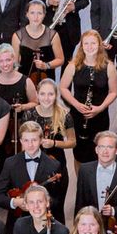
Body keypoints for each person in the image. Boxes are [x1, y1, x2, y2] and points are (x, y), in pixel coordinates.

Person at [59, 29, 117, 165]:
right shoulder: (73, 65)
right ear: (81, 46)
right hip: (78, 115)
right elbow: (63, 88)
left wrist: (100, 108)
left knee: (99, 152)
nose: (90, 47)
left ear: (99, 45)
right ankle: (80, 179)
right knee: (79, 155)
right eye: (86, 43)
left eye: (93, 43)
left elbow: (113, 92)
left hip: (100, 116)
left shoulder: (109, 67)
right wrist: (76, 104)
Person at [21, 80, 76, 215]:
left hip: (57, 164)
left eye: (50, 94)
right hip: (34, 163)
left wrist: (54, 143)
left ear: (56, 95)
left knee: (56, 206)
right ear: (37, 95)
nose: (46, 98)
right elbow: (23, 142)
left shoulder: (64, 115)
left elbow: (72, 142)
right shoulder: (29, 115)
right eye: (43, 94)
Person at [0, 121, 65, 223]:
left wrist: (41, 203)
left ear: (41, 140)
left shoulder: (54, 165)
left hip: (44, 221)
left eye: (34, 140)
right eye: (26, 140)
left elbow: (58, 200)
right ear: (20, 141)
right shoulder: (10, 163)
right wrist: (15, 202)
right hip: (17, 222)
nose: (30, 144)